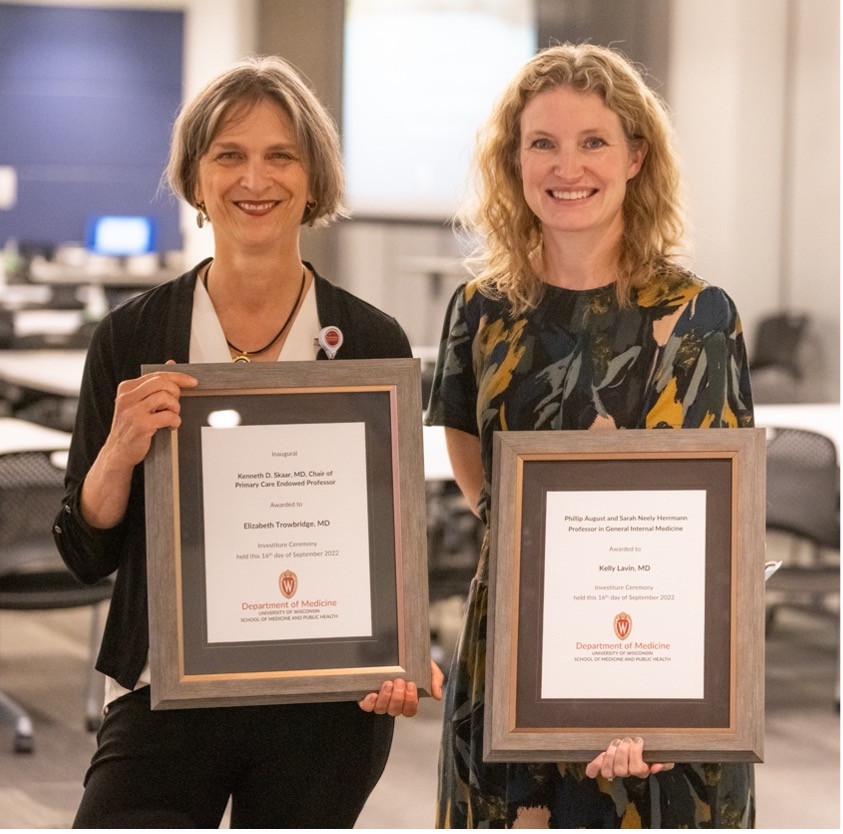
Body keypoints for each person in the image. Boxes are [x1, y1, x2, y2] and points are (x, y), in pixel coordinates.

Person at [53, 55, 442, 828]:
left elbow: (389, 534)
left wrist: (400, 648)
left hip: (324, 693)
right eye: (228, 155)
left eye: (279, 155)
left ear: (313, 179)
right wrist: (119, 451)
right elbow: (85, 551)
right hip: (165, 684)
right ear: (196, 179)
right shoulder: (133, 335)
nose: (252, 179)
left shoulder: (369, 339)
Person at [425, 43, 755, 828]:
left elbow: (721, 515)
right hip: (512, 653)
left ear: (636, 155)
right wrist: (521, 546)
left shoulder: (701, 317)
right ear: (513, 160)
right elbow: (469, 448)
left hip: (664, 675)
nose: (565, 166)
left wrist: (667, 693)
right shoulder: (479, 310)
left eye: (592, 141)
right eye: (541, 143)